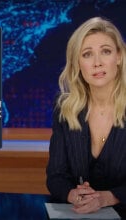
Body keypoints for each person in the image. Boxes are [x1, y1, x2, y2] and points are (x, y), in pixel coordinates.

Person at [46, 17, 126, 217]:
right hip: (78, 214)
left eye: (106, 51)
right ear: (77, 63)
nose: (97, 63)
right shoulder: (65, 108)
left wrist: (107, 198)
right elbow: (55, 176)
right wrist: (73, 194)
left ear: (119, 56)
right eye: (87, 54)